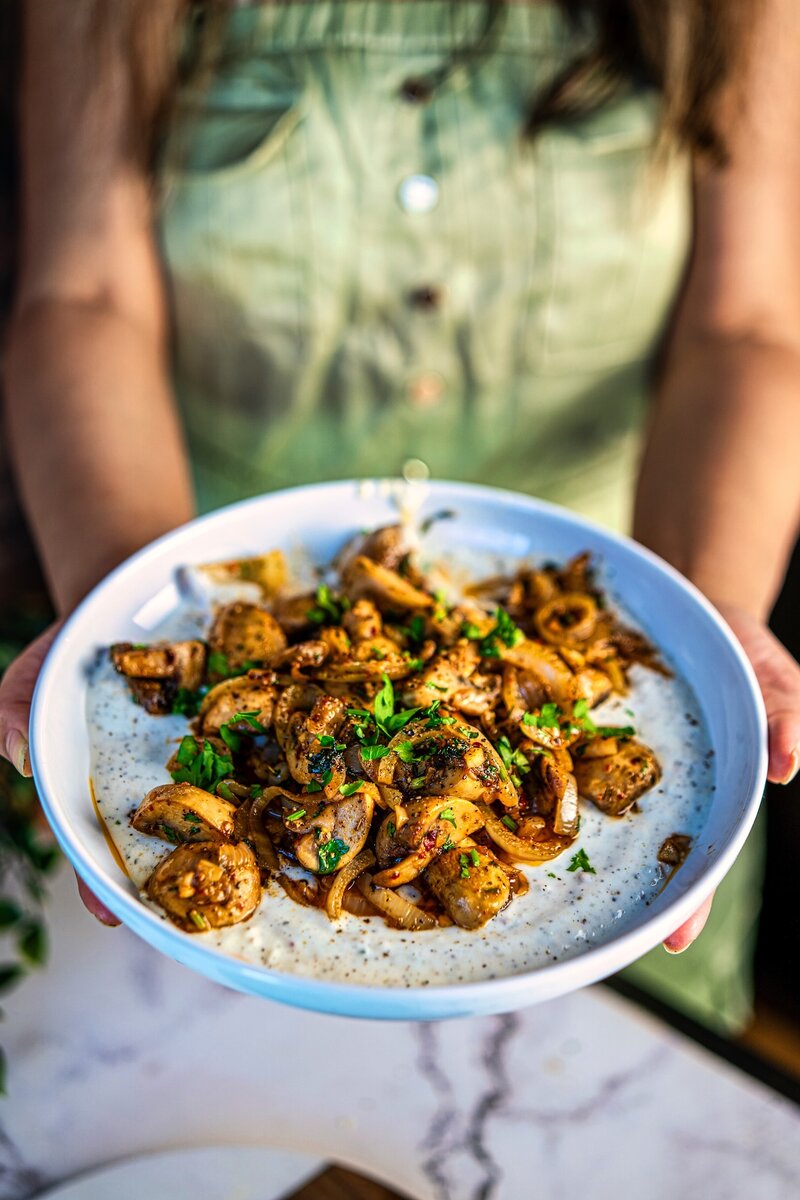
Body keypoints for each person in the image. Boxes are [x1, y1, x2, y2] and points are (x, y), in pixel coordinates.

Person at [1, 0, 799, 1034]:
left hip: (623, 594)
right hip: (190, 544)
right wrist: (122, 586)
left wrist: (709, 608)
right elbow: (82, 293)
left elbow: (743, 325)